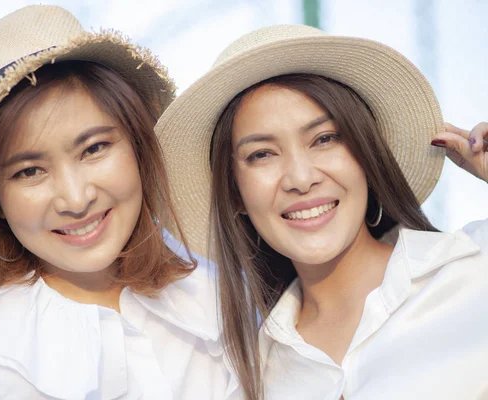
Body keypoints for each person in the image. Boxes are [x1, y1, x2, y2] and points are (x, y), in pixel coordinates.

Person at [0, 5, 237, 399]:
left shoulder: (222, 304)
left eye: (94, 148)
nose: (75, 198)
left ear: (139, 148)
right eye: (29, 171)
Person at [155, 24, 488, 399]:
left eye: (325, 139)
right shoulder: (243, 380)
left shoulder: (476, 271)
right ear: (234, 193)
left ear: (366, 153)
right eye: (261, 154)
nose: (300, 178)